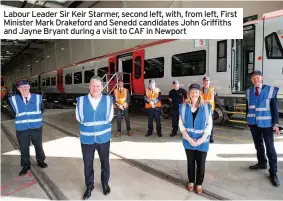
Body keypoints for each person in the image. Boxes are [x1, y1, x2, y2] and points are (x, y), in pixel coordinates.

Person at [76, 76, 113, 200]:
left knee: (105, 163)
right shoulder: (81, 101)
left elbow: (110, 117)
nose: (95, 88)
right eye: (93, 86)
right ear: (89, 87)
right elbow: (79, 118)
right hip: (87, 139)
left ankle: (105, 183)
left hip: (103, 138)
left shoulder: (108, 101)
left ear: (102, 87)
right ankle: (89, 186)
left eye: (98, 86)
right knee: (87, 164)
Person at [246, 70, 280, 187]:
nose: (256, 80)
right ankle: (262, 163)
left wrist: (275, 123)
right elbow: (248, 106)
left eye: (257, 77)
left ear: (262, 78)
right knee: (258, 145)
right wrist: (248, 120)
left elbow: (274, 108)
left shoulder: (269, 90)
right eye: (253, 78)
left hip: (266, 124)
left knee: (270, 148)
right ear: (251, 80)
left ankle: (273, 172)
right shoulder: (249, 91)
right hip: (253, 124)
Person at [8, 80, 47, 176]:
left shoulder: (38, 98)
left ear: (29, 87)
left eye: (26, 86)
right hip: (22, 128)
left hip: (36, 126)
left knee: (38, 145)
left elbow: (42, 109)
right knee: (24, 147)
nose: (24, 88)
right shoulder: (13, 100)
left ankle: (40, 160)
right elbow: (12, 113)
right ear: (18, 89)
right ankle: (26, 165)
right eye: (21, 87)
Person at [179, 83, 213, 194]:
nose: (194, 94)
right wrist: (189, 139)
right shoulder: (183, 107)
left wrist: (201, 139)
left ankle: (199, 183)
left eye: (196, 92)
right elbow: (181, 125)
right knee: (190, 162)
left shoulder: (206, 107)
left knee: (201, 163)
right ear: (189, 93)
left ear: (200, 94)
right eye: (192, 92)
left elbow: (209, 125)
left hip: (202, 142)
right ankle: (191, 181)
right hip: (188, 141)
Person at [200, 77, 216, 143]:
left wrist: (202, 101)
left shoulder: (212, 90)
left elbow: (211, 100)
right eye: (204, 81)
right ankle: (204, 136)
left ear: (209, 82)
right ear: (203, 82)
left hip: (210, 109)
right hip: (202, 109)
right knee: (203, 124)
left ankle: (211, 138)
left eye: (207, 81)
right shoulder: (200, 89)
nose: (206, 83)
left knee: (210, 124)